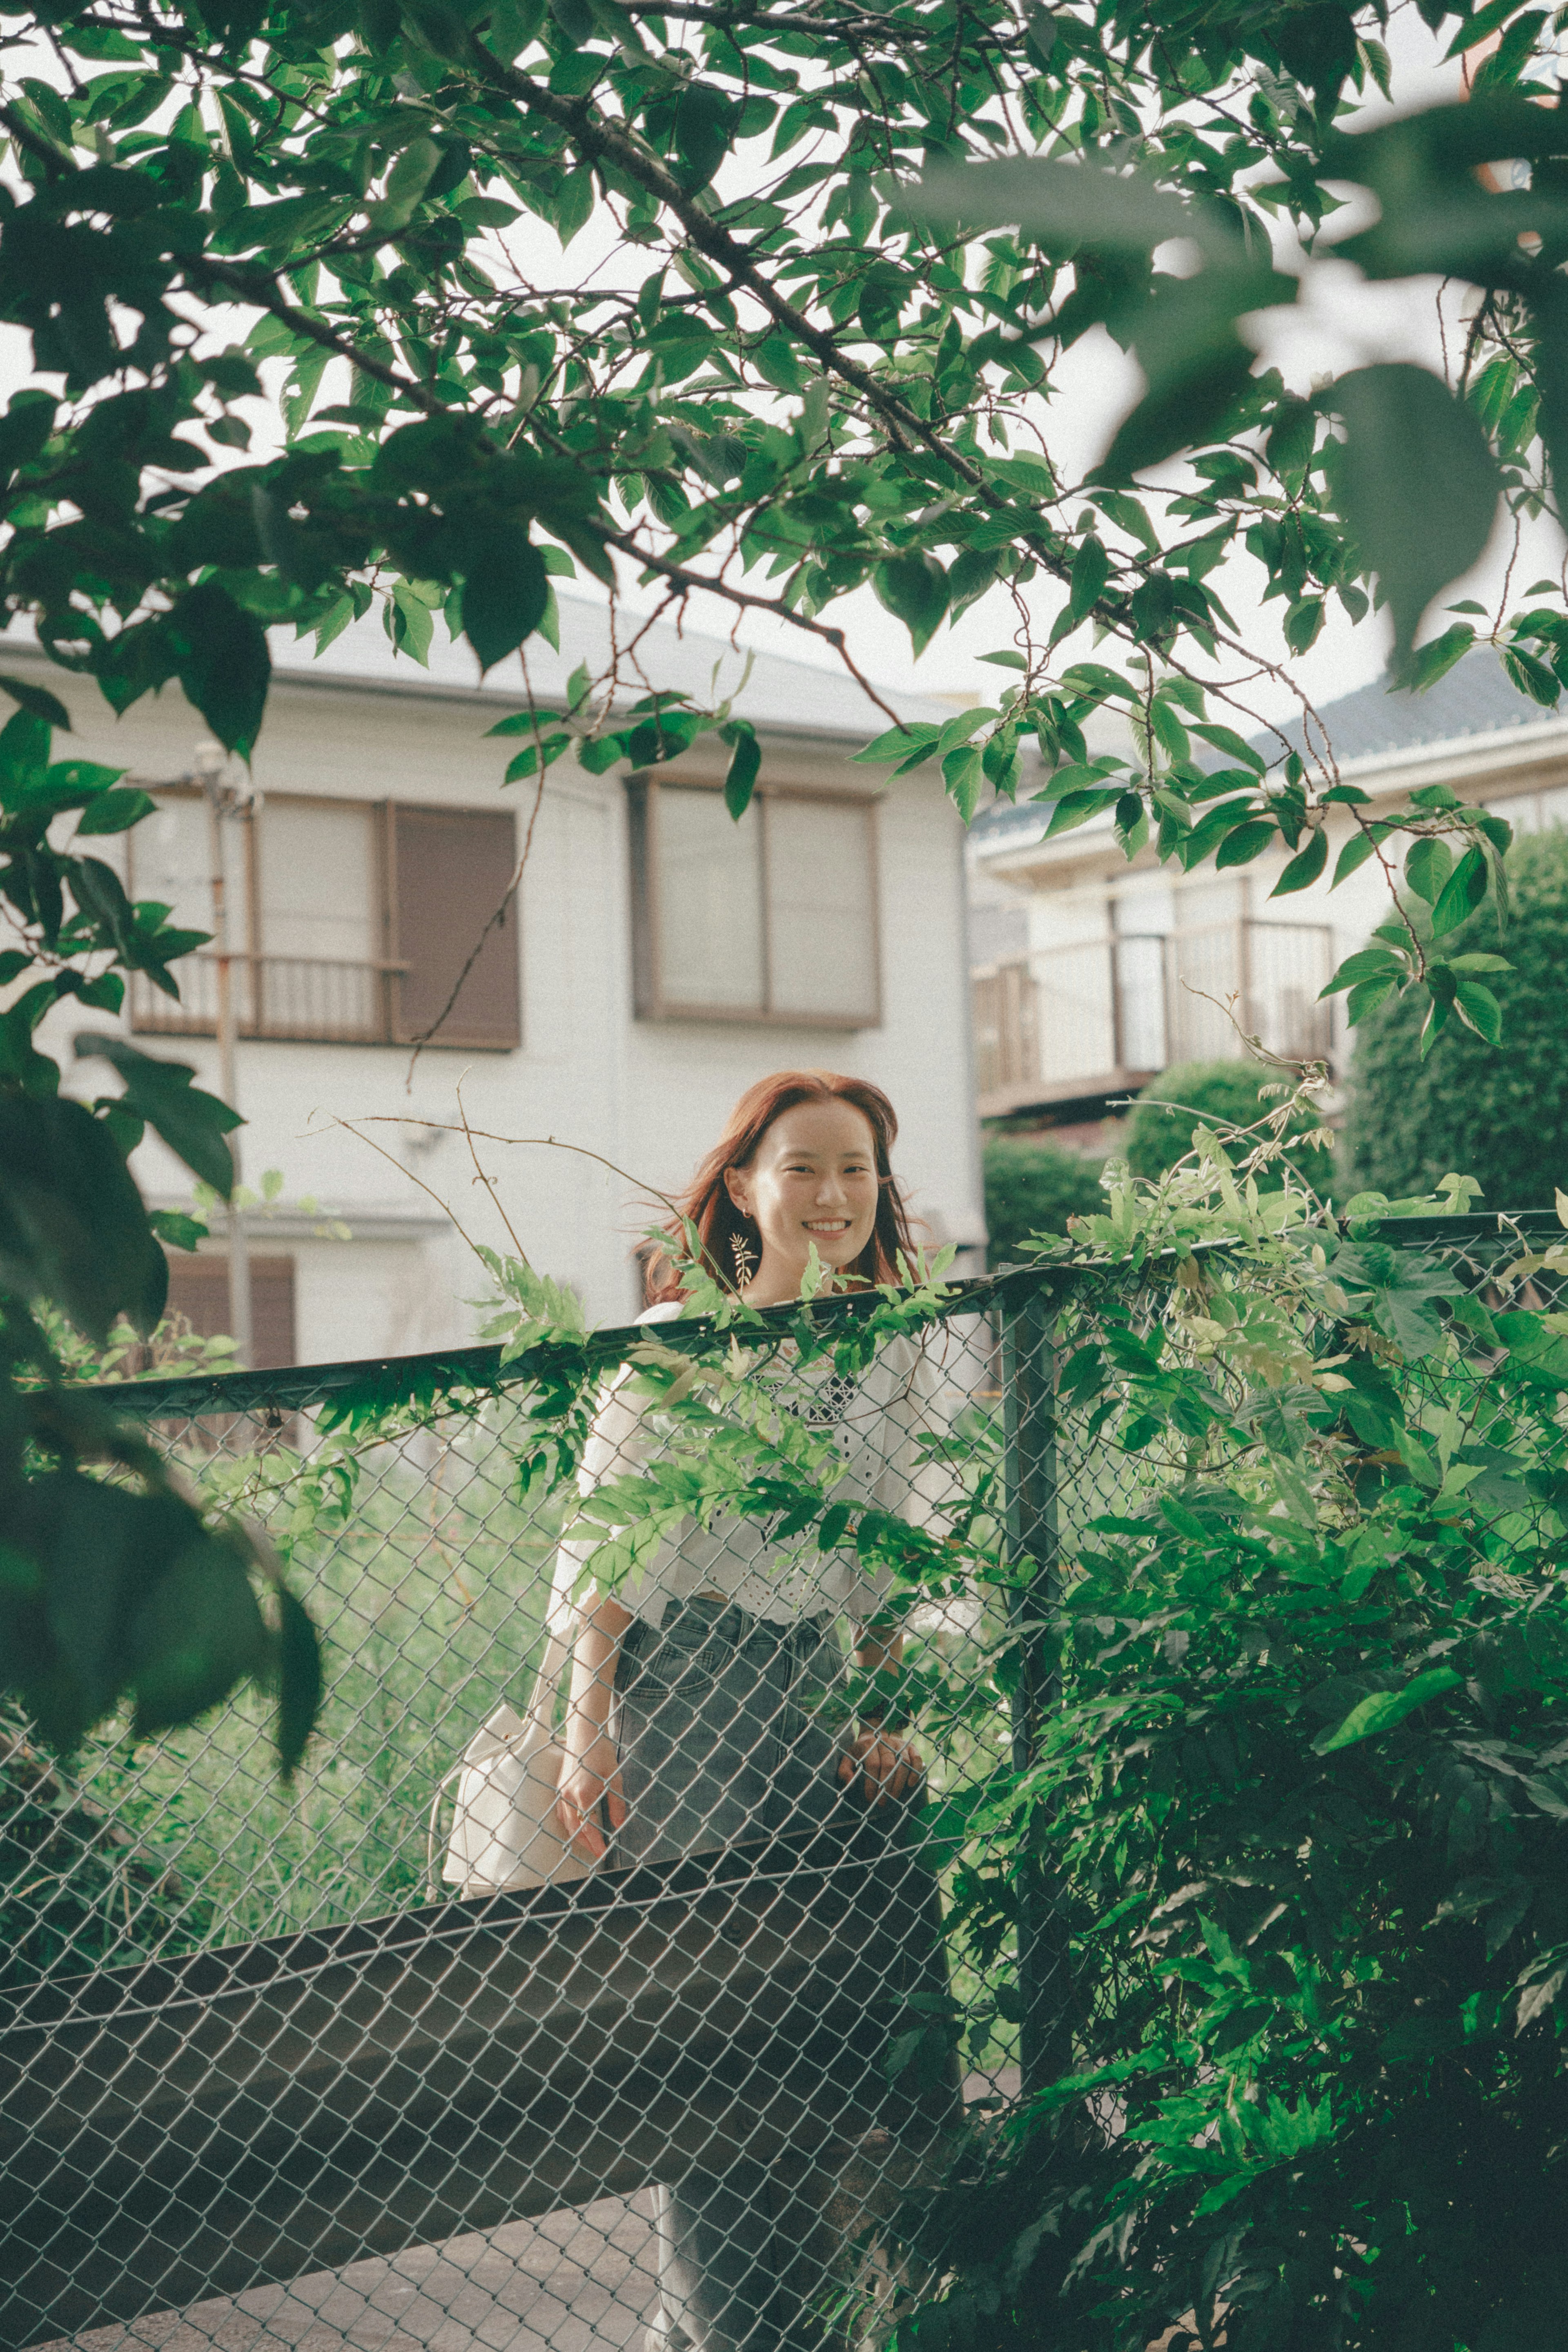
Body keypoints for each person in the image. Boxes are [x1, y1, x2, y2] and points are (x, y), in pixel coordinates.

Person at [551, 1070, 948, 2352]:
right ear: (743, 1186)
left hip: (808, 1686)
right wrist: (586, 1727)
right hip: (681, 1691)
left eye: (855, 1170)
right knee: (709, 2026)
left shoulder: (885, 1348)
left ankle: (785, 2317)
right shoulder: (678, 1343)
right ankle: (724, 2328)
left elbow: (884, 1553)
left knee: (815, 2016)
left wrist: (887, 1708)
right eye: (802, 1169)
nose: (832, 1196)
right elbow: (609, 1568)